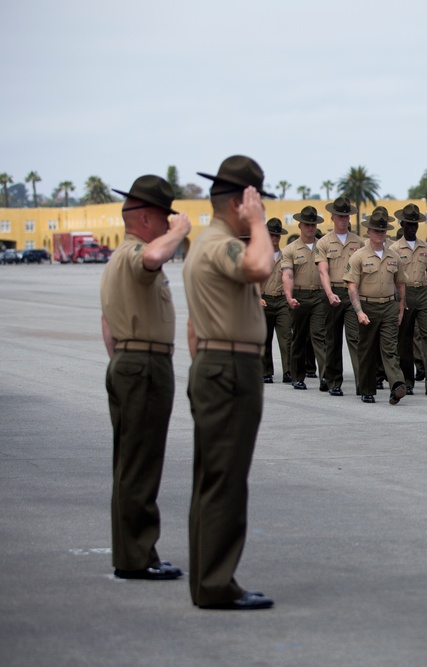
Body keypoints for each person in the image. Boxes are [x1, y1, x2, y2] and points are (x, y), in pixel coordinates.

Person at [185, 155, 275, 610]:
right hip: (229, 370)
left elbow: (192, 328)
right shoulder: (221, 243)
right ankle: (217, 584)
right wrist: (258, 223)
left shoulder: (206, 243)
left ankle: (208, 580)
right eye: (255, 199)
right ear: (242, 202)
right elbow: (261, 267)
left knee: (213, 478)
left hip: (216, 365)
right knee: (225, 480)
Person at [101, 175, 190, 581]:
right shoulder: (137, 253)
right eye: (165, 217)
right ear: (147, 218)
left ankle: (135, 552)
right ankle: (136, 558)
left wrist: (122, 362)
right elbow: (154, 259)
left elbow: (107, 323)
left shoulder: (118, 258)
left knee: (132, 464)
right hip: (143, 365)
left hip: (130, 361)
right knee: (140, 465)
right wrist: (182, 233)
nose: (170, 224)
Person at [344, 206, 408, 404]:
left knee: (390, 349)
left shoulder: (394, 256)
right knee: (366, 349)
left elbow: (400, 284)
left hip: (389, 306)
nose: (380, 234)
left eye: (382, 230)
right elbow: (352, 287)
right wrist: (359, 311)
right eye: (376, 230)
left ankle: (397, 385)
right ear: (368, 232)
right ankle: (367, 389)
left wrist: (400, 310)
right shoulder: (358, 257)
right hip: (367, 307)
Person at [391, 203, 427, 396]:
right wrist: (396, 303)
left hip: (423, 293)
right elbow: (392, 278)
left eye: (415, 223)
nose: (412, 227)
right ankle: (407, 381)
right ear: (402, 224)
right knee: (404, 339)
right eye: (409, 223)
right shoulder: (394, 248)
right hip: (405, 294)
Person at [315, 197, 364, 396]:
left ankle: (363, 383)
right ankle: (334, 382)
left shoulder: (358, 242)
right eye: (340, 216)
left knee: (356, 338)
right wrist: (329, 293)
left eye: (346, 216)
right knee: (332, 339)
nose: (343, 219)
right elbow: (323, 272)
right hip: (332, 292)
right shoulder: (324, 242)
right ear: (333, 217)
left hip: (352, 293)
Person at [281, 206, 327, 391]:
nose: (310, 227)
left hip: (318, 296)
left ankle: (325, 377)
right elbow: (287, 275)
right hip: (299, 296)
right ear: (300, 225)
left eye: (313, 224)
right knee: (298, 337)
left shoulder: (323, 246)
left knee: (319, 336)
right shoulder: (290, 249)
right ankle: (298, 377)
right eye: (307, 224)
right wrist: (289, 296)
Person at [260, 217, 292, 384]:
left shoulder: (286, 256)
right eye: (271, 235)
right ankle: (266, 371)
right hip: (264, 299)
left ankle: (288, 370)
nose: (274, 238)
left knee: (286, 336)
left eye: (277, 235)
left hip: (281, 301)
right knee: (265, 338)